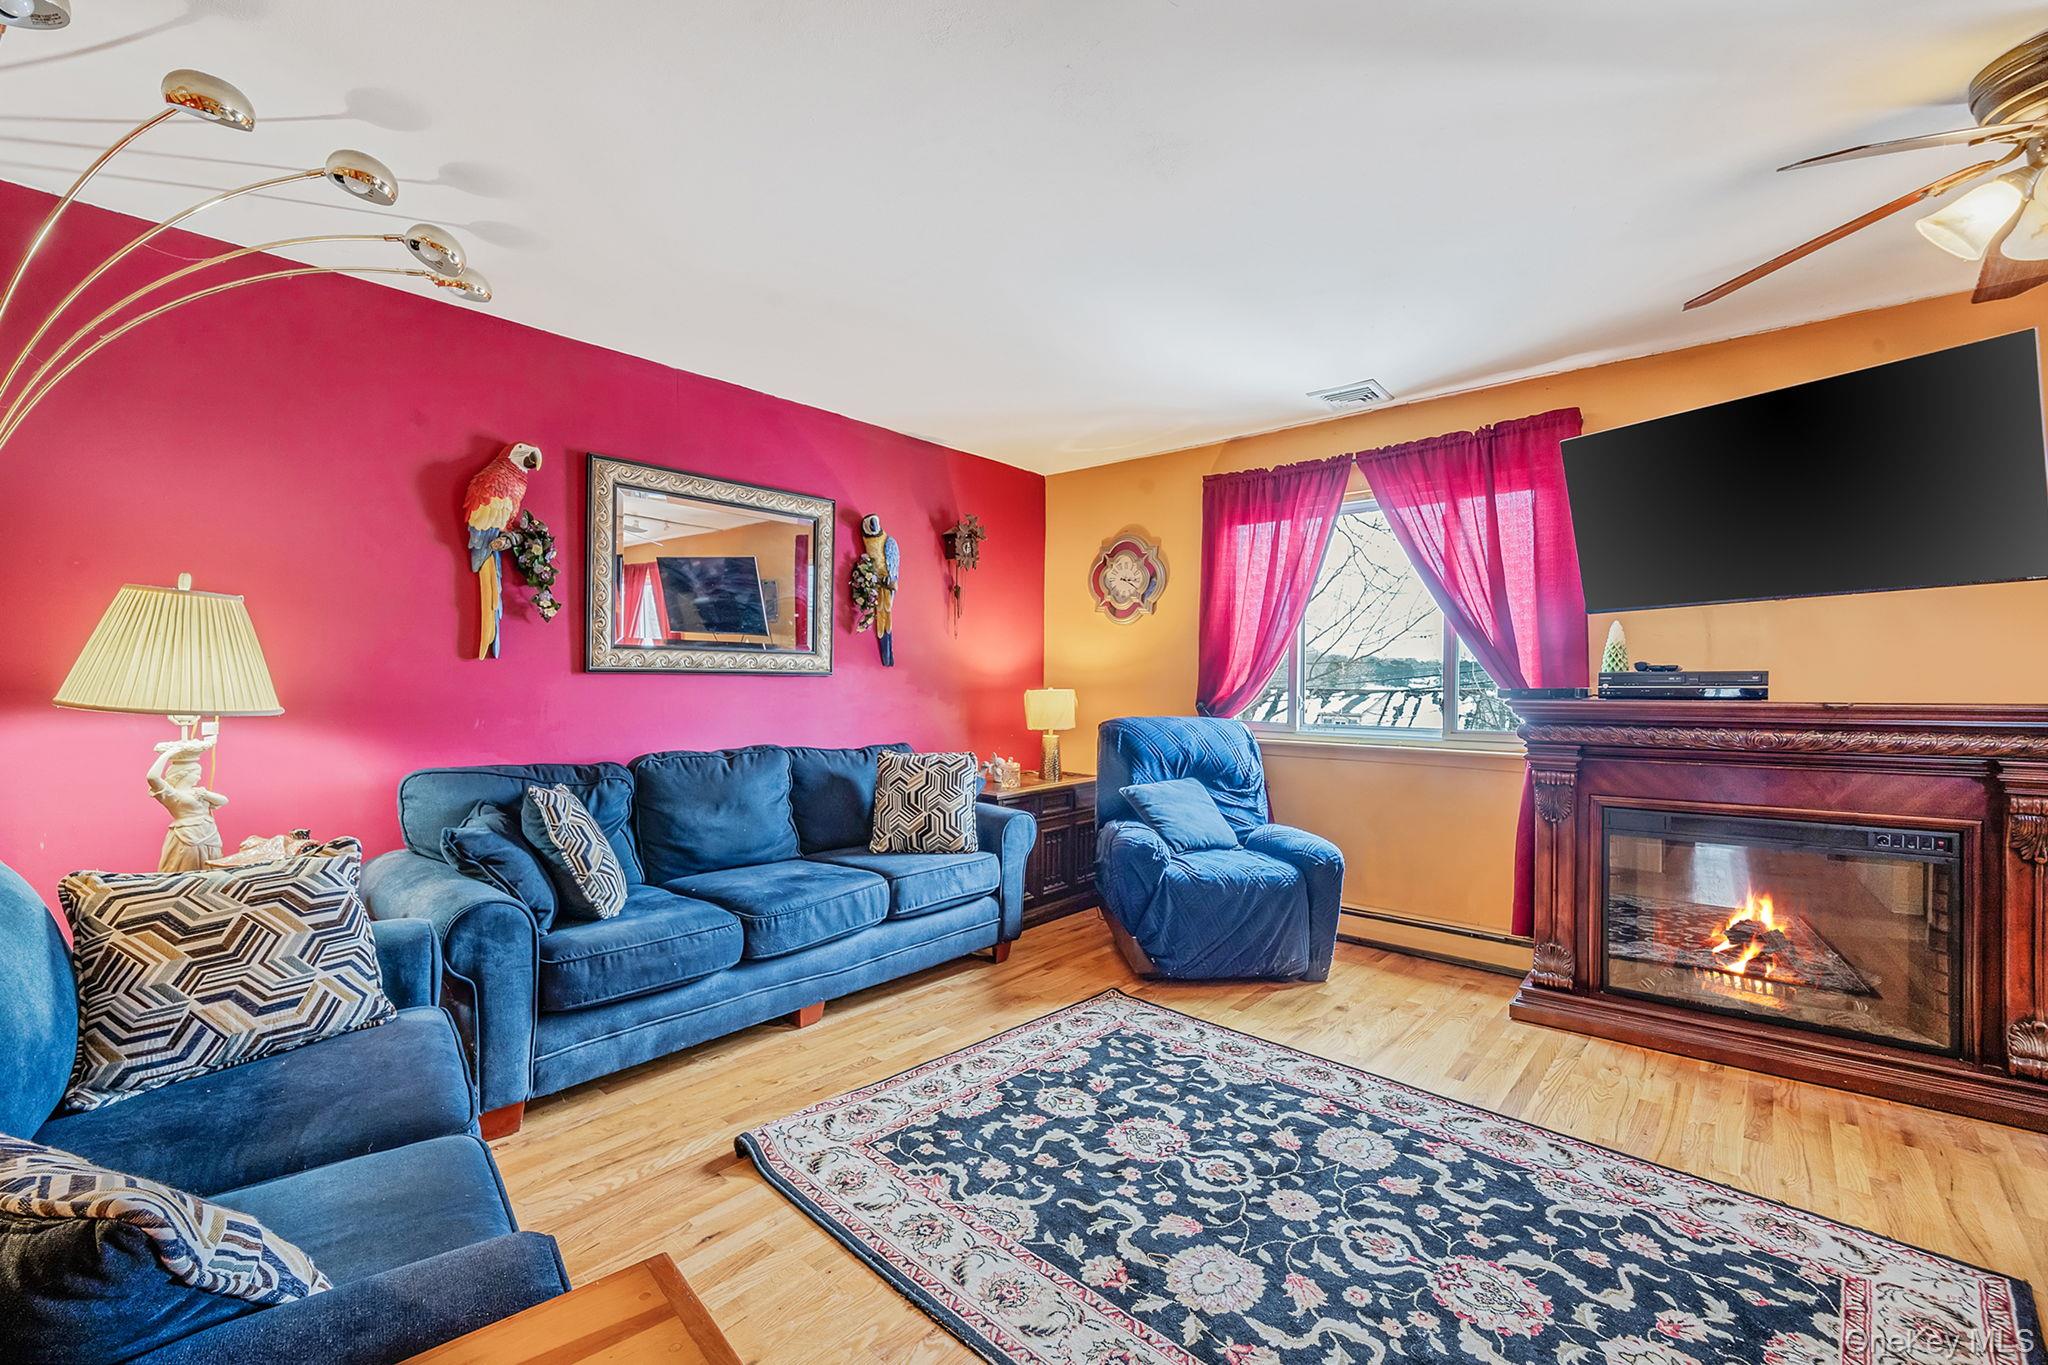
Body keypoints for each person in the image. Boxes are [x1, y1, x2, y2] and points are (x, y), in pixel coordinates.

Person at [146, 735, 227, 872]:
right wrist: (167, 755)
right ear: (183, 774)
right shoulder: (172, 794)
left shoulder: (199, 792)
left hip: (209, 834)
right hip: (188, 836)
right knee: (187, 868)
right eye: (196, 774)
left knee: (211, 870)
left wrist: (206, 794)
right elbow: (152, 777)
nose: (199, 777)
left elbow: (224, 801)